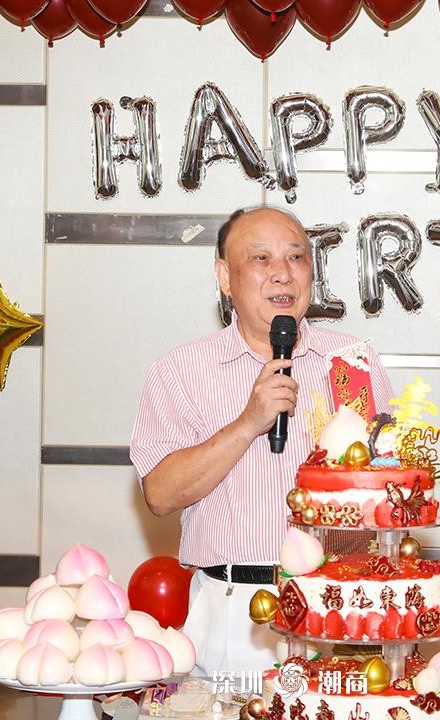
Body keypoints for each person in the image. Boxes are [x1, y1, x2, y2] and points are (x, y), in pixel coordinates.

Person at [130, 207, 393, 676]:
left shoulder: (350, 363)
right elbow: (160, 495)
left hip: (337, 607)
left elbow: (387, 485)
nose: (282, 273)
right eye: (260, 259)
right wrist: (249, 422)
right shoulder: (180, 371)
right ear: (224, 278)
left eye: (296, 257)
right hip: (232, 613)